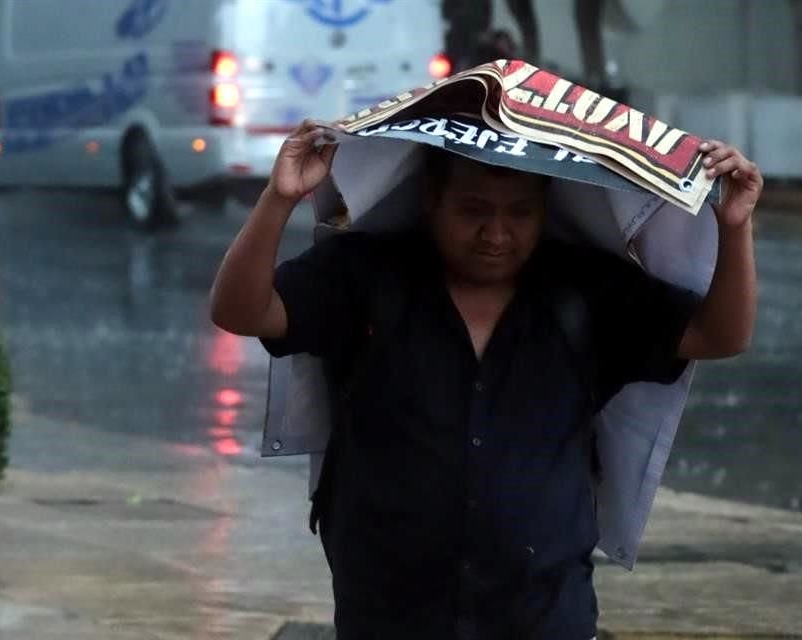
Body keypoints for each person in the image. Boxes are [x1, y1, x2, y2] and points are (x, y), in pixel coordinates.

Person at [210, 119, 761, 639]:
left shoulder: (586, 293)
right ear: (432, 200)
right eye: (473, 210)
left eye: (519, 213)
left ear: (544, 210)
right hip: (388, 618)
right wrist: (279, 199)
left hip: (545, 619)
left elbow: (718, 337)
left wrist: (734, 228)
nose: (495, 234)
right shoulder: (365, 276)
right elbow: (242, 311)